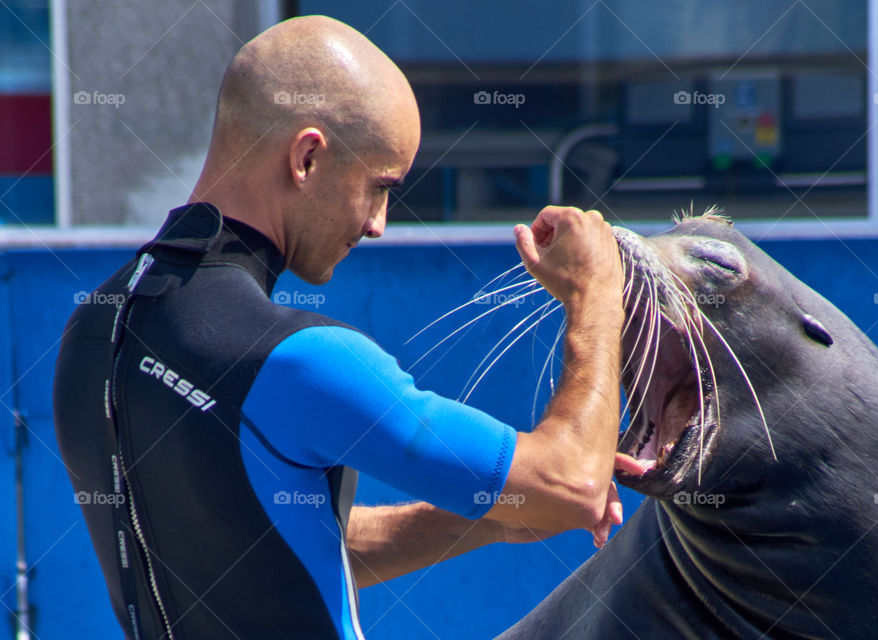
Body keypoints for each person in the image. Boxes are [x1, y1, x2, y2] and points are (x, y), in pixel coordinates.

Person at [53, 15, 625, 640]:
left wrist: (493, 514)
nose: (379, 223)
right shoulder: (298, 359)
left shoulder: (91, 330)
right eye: (379, 187)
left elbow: (271, 551)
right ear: (307, 156)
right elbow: (574, 481)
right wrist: (597, 292)